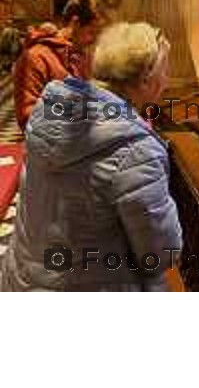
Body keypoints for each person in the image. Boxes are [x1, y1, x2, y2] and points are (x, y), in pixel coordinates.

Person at [1, 22, 182, 291]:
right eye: (165, 71)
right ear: (145, 78)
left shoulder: (47, 112)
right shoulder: (135, 151)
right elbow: (161, 254)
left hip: (23, 280)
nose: (167, 81)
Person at [13, 0, 101, 131]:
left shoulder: (82, 57)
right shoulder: (36, 57)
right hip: (49, 145)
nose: (93, 40)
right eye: (91, 32)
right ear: (75, 23)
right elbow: (27, 115)